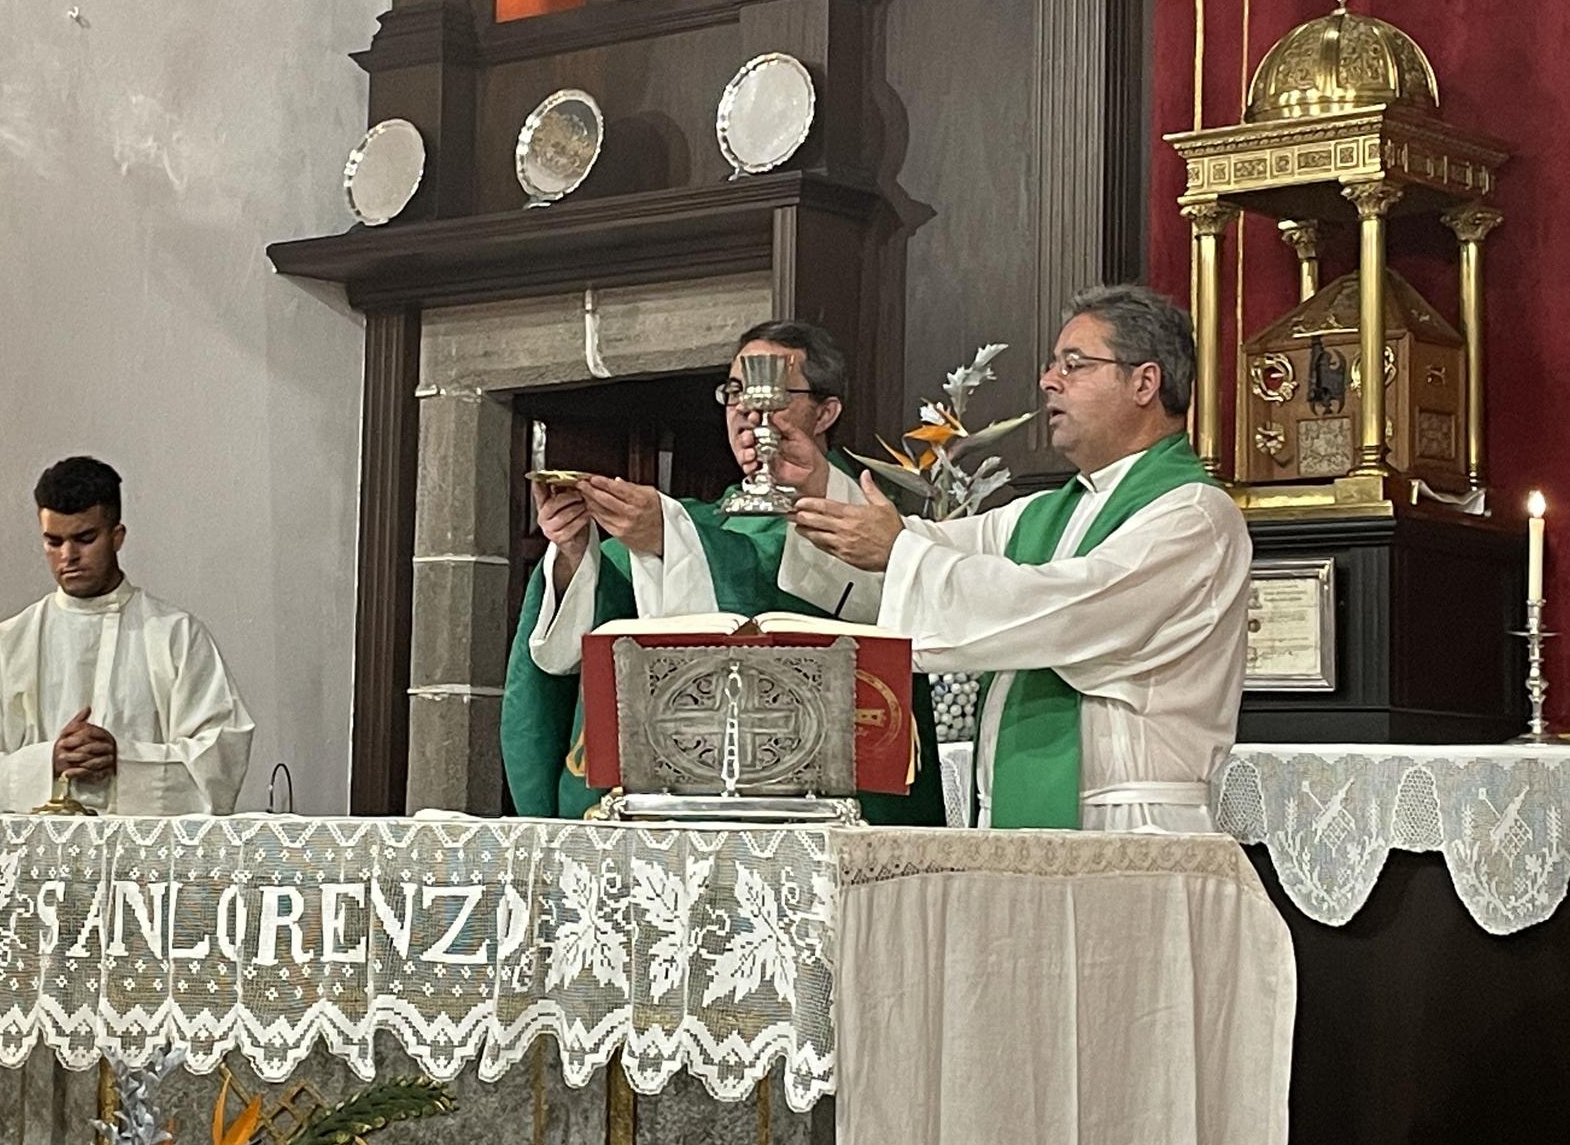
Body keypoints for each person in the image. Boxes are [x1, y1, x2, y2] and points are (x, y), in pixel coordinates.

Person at [785, 284, 1249, 832]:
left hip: (1133, 824)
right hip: (1029, 811)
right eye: (1053, 365)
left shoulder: (1194, 516)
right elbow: (929, 545)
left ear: (1145, 382)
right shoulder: (1044, 514)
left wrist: (899, 551)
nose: (1048, 381)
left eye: (1073, 365)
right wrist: (817, 485)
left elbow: (1066, 610)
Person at [501, 320, 948, 823]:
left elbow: (815, 600)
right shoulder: (694, 522)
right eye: (735, 391)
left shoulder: (869, 521)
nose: (749, 409)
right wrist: (574, 553)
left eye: (773, 390)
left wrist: (667, 538)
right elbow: (573, 651)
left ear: (825, 412)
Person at [0, 456, 254, 814]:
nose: (68, 556)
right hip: (32, 860)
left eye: (84, 538)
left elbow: (220, 760)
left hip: (142, 862)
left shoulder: (174, 636)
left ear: (117, 537)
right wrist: (47, 761)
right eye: (53, 542)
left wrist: (125, 760)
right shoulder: (8, 644)